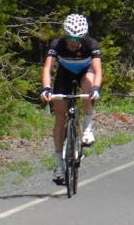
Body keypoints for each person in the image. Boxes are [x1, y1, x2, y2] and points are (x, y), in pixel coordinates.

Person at [41, 14, 102, 185]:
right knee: (60, 117)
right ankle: (60, 164)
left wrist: (96, 89)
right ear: (65, 35)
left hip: (85, 71)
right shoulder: (58, 44)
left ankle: (88, 128)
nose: (72, 42)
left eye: (76, 38)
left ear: (82, 37)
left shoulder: (91, 44)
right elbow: (48, 68)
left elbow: (98, 70)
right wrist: (46, 88)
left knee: (88, 86)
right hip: (65, 73)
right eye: (69, 37)